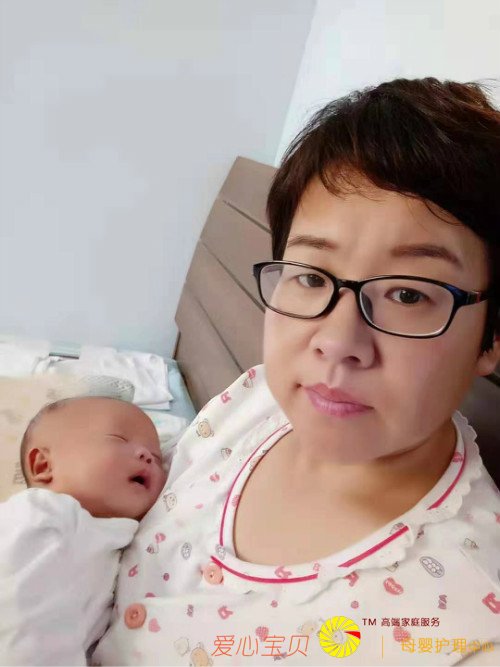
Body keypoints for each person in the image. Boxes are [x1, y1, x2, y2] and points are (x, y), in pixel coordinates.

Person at [94, 78, 500, 666]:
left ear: (492, 337)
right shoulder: (255, 400)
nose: (337, 342)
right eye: (311, 276)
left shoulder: (461, 631)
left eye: (409, 294)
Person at [0, 396, 167, 666]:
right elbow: (16, 605)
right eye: (118, 439)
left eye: (157, 458)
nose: (146, 456)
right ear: (43, 466)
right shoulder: (41, 513)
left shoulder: (110, 538)